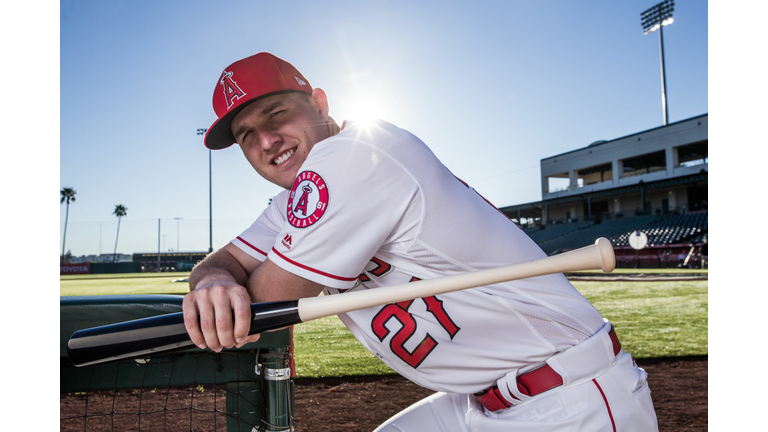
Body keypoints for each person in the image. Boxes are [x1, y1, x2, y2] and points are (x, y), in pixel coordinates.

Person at [182, 52, 658, 431]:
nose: (265, 141)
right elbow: (222, 260)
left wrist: (236, 291)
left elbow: (266, 304)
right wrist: (214, 282)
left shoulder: (351, 156)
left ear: (320, 103)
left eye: (276, 114)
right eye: (246, 135)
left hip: (568, 400)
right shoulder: (294, 201)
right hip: (483, 401)